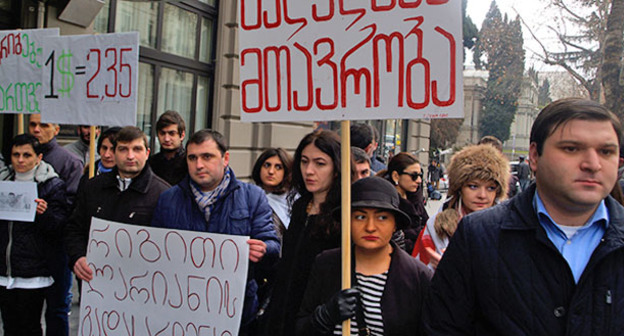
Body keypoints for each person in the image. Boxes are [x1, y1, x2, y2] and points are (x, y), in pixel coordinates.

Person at [424, 98, 624, 335]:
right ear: (535, 156)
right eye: (571, 148)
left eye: (606, 151)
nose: (593, 164)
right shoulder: (478, 236)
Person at [149, 129, 279, 333]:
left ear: (225, 158)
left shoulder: (253, 197)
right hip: (182, 313)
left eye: (207, 156)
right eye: (192, 158)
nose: (199, 165)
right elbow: (154, 253)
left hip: (237, 314)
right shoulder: (168, 199)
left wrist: (263, 249)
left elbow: (273, 244)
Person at [295, 177, 432, 336]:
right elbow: (301, 326)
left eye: (382, 218)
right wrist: (324, 316)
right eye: (360, 217)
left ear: (395, 224)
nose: (370, 227)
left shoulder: (417, 276)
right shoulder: (327, 264)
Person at [65, 126, 170, 283]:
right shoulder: (92, 187)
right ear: (114, 153)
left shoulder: (163, 194)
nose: (130, 156)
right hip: (95, 281)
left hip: (142, 285)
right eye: (123, 149)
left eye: (137, 149)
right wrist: (78, 257)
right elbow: (74, 228)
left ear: (147, 153)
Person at [264, 130, 343, 336]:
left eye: (320, 163)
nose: (309, 170)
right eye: (304, 161)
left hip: (317, 320)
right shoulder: (300, 205)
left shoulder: (344, 214)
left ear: (336, 168)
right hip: (283, 312)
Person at [0, 134, 69, 336]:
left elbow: (59, 226)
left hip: (34, 272)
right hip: (6, 270)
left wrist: (44, 214)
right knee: (9, 326)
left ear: (38, 158)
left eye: (26, 155)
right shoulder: (4, 181)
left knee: (29, 325)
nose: (21, 160)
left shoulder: (52, 185)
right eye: (16, 155)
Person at [28, 114, 83, 336]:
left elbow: (71, 207)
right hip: (25, 249)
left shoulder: (69, 162)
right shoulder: (16, 159)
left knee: (57, 308)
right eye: (33, 124)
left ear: (56, 129)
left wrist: (49, 211)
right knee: (26, 309)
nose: (37, 130)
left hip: (56, 247)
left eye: (43, 125)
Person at [413, 144, 509, 270]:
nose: (482, 195)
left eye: (490, 188)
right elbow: (417, 276)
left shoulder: (509, 227)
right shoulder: (435, 227)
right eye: (473, 186)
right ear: (459, 188)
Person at [377, 152, 428, 253]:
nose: (418, 180)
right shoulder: (385, 201)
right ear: (396, 176)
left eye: (420, 175)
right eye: (414, 176)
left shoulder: (416, 199)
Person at [252, 147, 294, 240]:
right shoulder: (250, 195)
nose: (271, 171)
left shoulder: (293, 199)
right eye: (267, 165)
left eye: (278, 167)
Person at [148, 110, 188, 186]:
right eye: (162, 133)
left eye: (172, 134)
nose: (166, 139)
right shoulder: (151, 164)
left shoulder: (189, 163)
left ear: (182, 135)